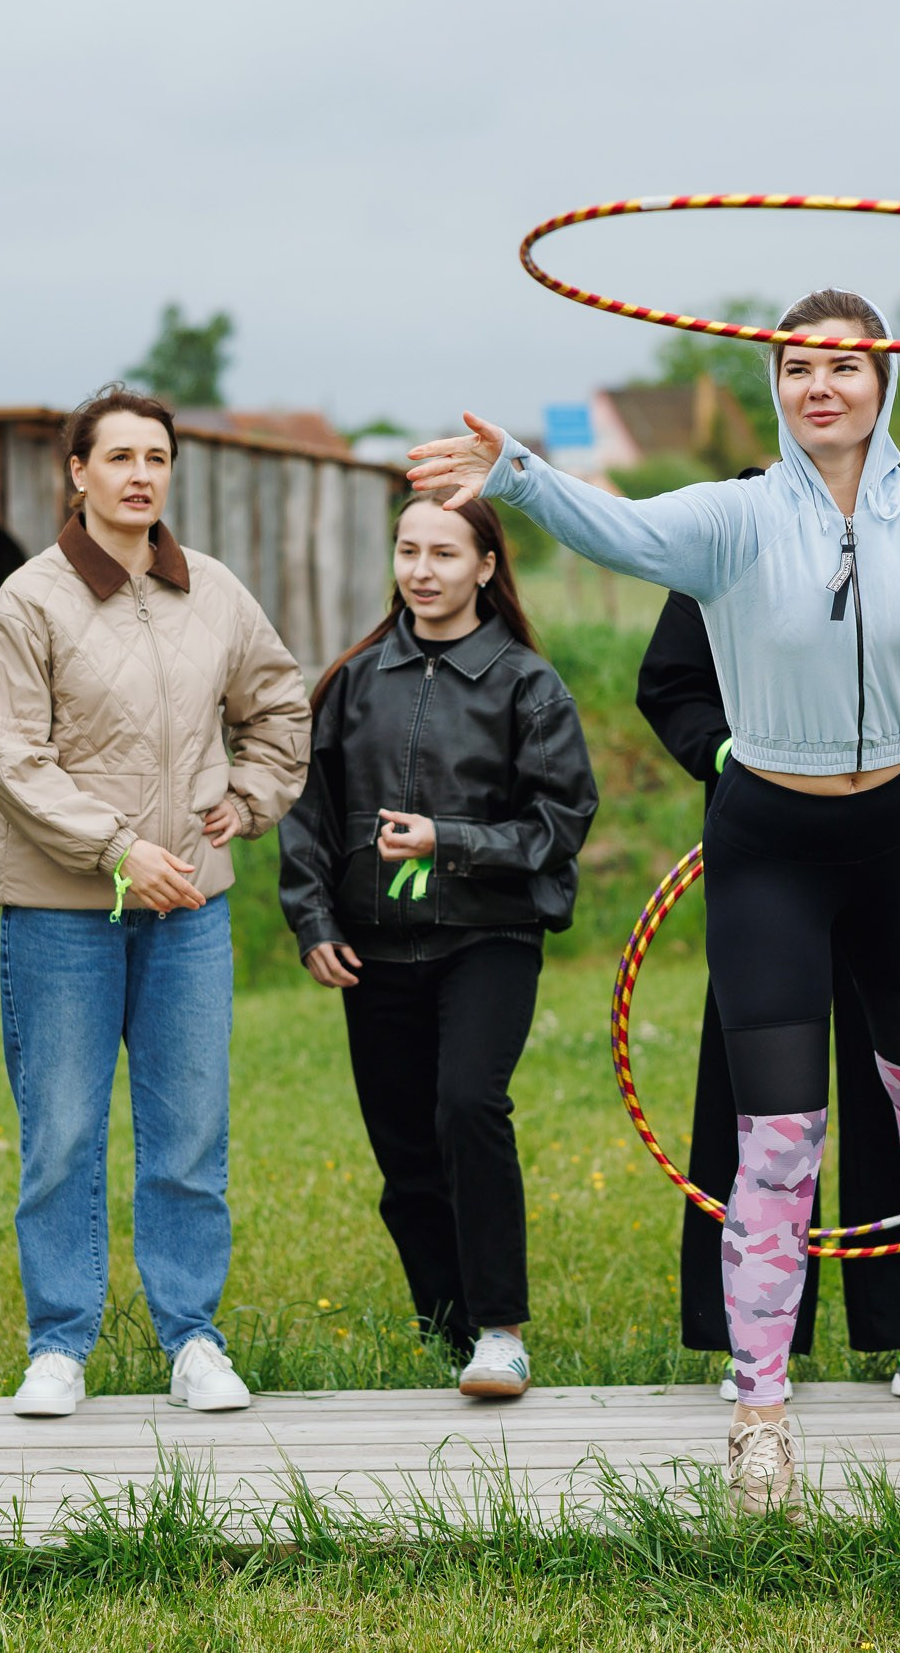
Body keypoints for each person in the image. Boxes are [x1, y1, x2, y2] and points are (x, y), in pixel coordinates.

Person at [409, 288, 900, 1510]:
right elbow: (620, 531)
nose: (822, 385)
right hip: (770, 838)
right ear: (776, 384)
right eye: (799, 366)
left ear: (885, 383)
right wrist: (522, 477)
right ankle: (760, 1412)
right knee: (777, 1139)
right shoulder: (736, 517)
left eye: (844, 366)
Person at [0, 384, 309, 1418]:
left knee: (189, 1133)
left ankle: (193, 1338)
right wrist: (121, 850)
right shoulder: (28, 602)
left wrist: (249, 797)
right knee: (63, 1132)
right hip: (60, 914)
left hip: (191, 917)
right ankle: (59, 1343)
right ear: (76, 472)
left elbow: (280, 701)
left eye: (154, 457)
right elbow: (13, 760)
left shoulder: (211, 589)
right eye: (116, 456)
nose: (137, 474)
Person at [639, 576, 900, 1404]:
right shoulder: (741, 521)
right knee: (760, 1105)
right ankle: (748, 1347)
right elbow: (670, 679)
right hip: (769, 857)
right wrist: (729, 760)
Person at [278, 495, 597, 1399]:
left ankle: (500, 1331)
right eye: (408, 550)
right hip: (374, 948)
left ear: (486, 567)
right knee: (405, 1150)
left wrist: (448, 840)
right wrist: (315, 921)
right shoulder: (352, 679)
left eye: (445, 553)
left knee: (467, 1105)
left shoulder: (527, 684)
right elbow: (306, 811)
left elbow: (560, 820)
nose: (423, 570)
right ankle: (445, 1328)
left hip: (487, 935)